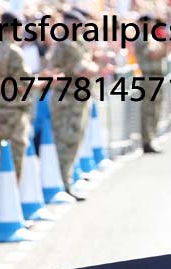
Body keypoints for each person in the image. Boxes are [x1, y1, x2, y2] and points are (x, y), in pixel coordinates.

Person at [47, 9, 98, 199]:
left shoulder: (78, 42)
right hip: (67, 99)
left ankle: (69, 179)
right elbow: (84, 69)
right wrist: (97, 66)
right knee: (66, 141)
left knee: (75, 140)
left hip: (77, 97)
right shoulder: (67, 44)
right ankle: (65, 183)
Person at [0, 11, 34, 179]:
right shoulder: (14, 52)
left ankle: (5, 201)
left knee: (5, 160)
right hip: (14, 110)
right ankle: (12, 201)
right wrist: (47, 81)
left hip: (1, 108)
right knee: (15, 161)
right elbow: (23, 84)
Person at [134, 14, 169, 153]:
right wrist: (165, 44)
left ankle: (152, 137)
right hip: (149, 77)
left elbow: (162, 53)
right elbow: (152, 54)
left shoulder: (151, 37)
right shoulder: (142, 38)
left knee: (156, 109)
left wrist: (164, 45)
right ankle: (147, 140)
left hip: (157, 76)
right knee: (149, 110)